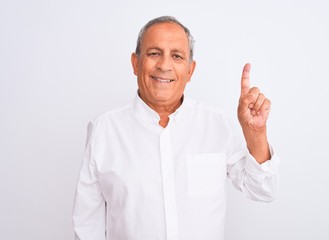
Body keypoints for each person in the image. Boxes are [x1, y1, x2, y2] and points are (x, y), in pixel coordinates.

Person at [72, 16, 280, 240]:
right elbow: (87, 225)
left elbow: (263, 190)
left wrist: (256, 134)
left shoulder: (216, 124)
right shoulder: (104, 130)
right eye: (154, 53)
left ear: (190, 70)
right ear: (135, 63)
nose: (164, 65)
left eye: (177, 56)